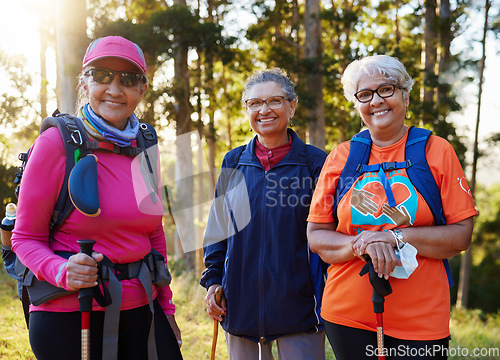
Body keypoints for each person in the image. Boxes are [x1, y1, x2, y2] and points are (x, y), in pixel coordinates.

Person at [11, 36, 183, 360]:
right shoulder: (57, 143)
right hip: (71, 311)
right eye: (103, 75)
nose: (115, 89)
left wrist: (166, 307)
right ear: (84, 81)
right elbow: (24, 237)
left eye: (129, 79)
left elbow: (153, 233)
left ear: (142, 89)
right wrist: (63, 271)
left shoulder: (145, 144)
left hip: (142, 308)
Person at [307, 55, 478, 359]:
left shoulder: (436, 151)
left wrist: (394, 238)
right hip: (348, 316)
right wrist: (363, 242)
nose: (376, 101)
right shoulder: (341, 156)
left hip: (423, 321)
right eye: (365, 94)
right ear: (357, 104)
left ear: (404, 94)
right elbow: (317, 235)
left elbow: (461, 235)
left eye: (386, 89)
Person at [200, 68, 327, 360]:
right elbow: (218, 229)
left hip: (300, 311)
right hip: (239, 306)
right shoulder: (233, 161)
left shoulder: (314, 162)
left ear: (292, 106)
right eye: (255, 103)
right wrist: (214, 281)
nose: (264, 110)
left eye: (274, 101)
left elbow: (329, 233)